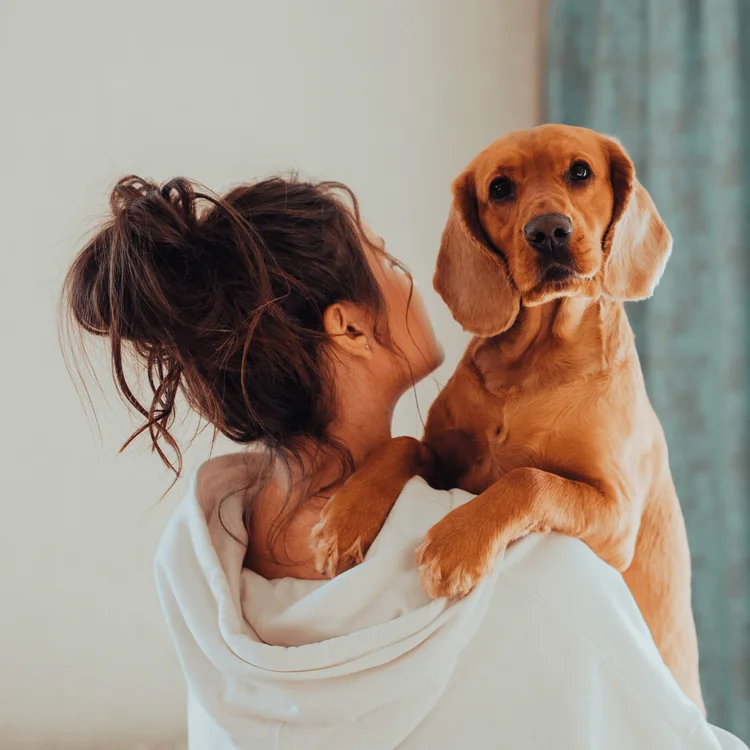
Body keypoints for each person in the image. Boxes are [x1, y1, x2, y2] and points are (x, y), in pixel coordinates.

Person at [63, 175, 747, 749]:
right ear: (350, 325)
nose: (412, 276)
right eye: (387, 260)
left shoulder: (199, 581)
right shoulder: (530, 573)